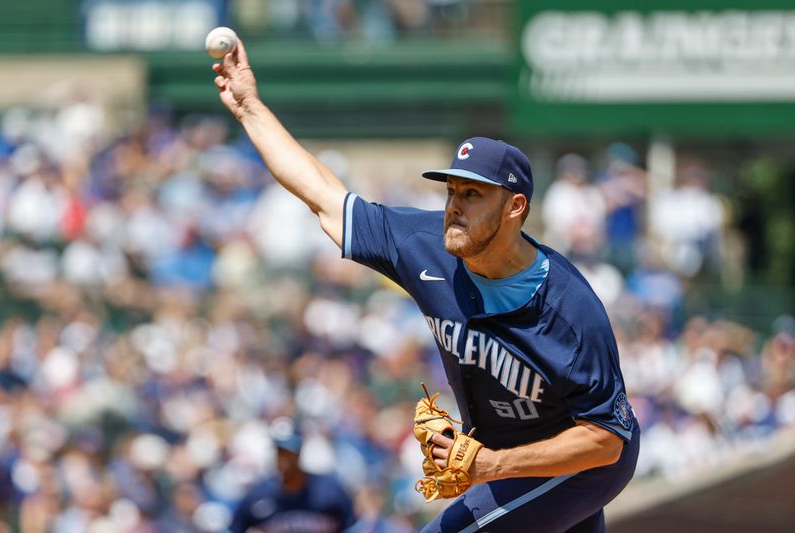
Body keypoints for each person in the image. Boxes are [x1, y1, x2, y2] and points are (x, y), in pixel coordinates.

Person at [213, 39, 640, 533]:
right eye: (451, 190)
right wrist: (249, 108)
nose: (454, 205)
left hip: (583, 462)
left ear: (515, 207)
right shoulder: (423, 245)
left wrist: (487, 466)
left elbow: (606, 438)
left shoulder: (568, 306)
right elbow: (323, 196)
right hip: (511, 458)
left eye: (473, 194)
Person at [229, 418, 357, 533]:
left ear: (299, 452)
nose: (283, 458)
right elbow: (234, 528)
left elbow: (352, 527)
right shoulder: (259, 495)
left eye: (288, 452)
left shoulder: (329, 490)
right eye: (279, 451)